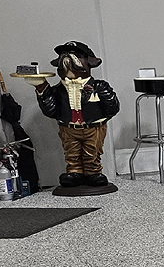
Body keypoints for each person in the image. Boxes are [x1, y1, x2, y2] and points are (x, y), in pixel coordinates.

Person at [30, 41, 120, 193]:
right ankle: (74, 172)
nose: (69, 59)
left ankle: (93, 172)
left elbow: (113, 108)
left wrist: (102, 97)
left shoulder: (99, 86)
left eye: (77, 56)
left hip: (93, 127)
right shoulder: (58, 90)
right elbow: (50, 111)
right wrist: (42, 88)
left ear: (90, 62)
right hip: (68, 128)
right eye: (64, 56)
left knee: (92, 151)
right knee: (71, 152)